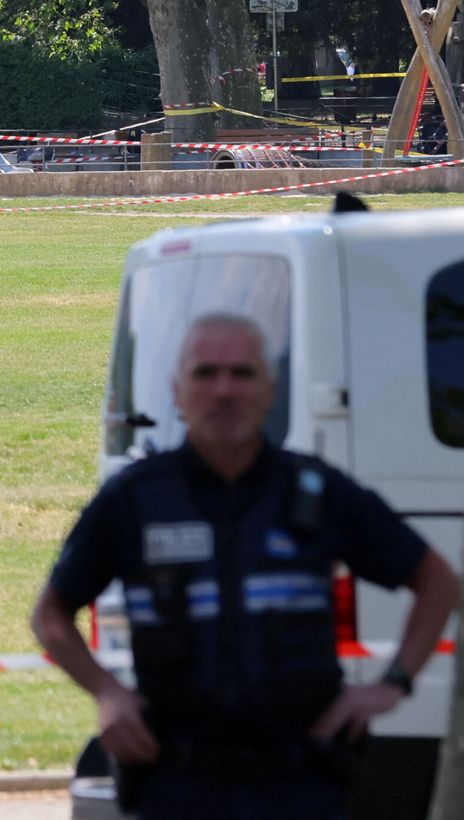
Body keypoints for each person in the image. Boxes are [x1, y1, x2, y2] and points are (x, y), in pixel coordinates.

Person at [31, 313, 459, 820]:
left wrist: (392, 685)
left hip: (301, 787)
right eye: (206, 374)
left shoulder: (315, 493)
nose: (224, 390)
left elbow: (437, 582)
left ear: (269, 391)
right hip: (177, 785)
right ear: (177, 391)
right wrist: (108, 693)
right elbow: (51, 614)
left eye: (242, 374)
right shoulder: (136, 500)